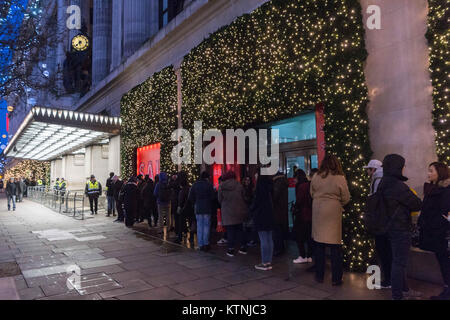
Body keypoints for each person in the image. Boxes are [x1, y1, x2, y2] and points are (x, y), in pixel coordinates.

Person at [377, 154, 422, 300]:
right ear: (398, 167)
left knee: (397, 261)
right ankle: (398, 295)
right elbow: (416, 203)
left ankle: (404, 290)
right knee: (399, 262)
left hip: (388, 228)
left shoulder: (384, 182)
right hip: (400, 228)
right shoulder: (397, 185)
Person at [311, 154, 350, 286]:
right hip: (333, 211)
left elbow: (311, 192)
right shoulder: (339, 178)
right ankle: (336, 278)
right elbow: (346, 197)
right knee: (335, 248)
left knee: (319, 246)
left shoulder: (316, 176)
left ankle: (319, 276)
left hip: (318, 210)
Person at [418, 162, 450, 300]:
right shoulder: (432, 189)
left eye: (431, 171)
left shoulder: (445, 190)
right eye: (428, 170)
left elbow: (443, 212)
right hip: (432, 231)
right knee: (442, 260)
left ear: (440, 173)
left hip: (441, 232)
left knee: (444, 261)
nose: (428, 173)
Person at [363, 159, 392, 288]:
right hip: (387, 221)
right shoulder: (386, 178)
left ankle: (388, 279)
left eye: (368, 169)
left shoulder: (377, 179)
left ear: (373, 169)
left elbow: (375, 201)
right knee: (387, 250)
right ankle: (389, 278)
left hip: (380, 221)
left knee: (383, 250)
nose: (367, 172)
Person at [218, 171, 249, 257]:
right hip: (239, 210)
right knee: (240, 229)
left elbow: (219, 199)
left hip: (228, 212)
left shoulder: (222, 186)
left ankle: (231, 249)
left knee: (230, 230)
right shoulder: (239, 185)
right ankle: (243, 247)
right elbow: (244, 197)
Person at [250, 170, 275, 271]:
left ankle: (264, 262)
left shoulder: (260, 188)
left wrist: (251, 209)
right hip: (270, 215)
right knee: (269, 239)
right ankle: (268, 261)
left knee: (264, 239)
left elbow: (256, 203)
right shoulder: (270, 186)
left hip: (261, 216)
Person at [188, 171, 216, 251]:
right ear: (206, 178)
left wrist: (195, 202)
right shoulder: (209, 185)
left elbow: (190, 197)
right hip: (207, 207)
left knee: (199, 226)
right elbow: (213, 197)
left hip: (198, 207)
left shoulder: (195, 185)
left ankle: (200, 244)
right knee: (206, 226)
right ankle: (206, 243)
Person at [293, 169, 313, 264]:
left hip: (302, 215)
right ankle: (309, 256)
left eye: (295, 178)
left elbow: (299, 201)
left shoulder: (301, 186)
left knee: (299, 236)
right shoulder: (309, 184)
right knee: (309, 236)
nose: (294, 180)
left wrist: (295, 208)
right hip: (310, 214)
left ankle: (302, 256)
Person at [272, 171, 289, 256]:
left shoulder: (278, 182)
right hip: (281, 210)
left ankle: (279, 249)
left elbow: (274, 195)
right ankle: (281, 247)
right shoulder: (282, 181)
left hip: (277, 210)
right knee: (279, 230)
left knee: (277, 230)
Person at [242, 175, 257, 247]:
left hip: (250, 209)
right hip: (244, 209)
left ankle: (252, 240)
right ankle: (246, 240)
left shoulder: (252, 189)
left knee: (251, 226)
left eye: (248, 180)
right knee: (245, 226)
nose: (247, 181)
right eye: (246, 180)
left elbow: (253, 200)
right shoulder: (242, 189)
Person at [176, 171, 191, 244]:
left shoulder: (182, 190)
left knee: (181, 222)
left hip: (183, 208)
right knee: (190, 222)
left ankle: (179, 238)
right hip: (190, 207)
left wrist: (179, 207)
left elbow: (181, 200)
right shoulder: (189, 188)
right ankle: (190, 237)